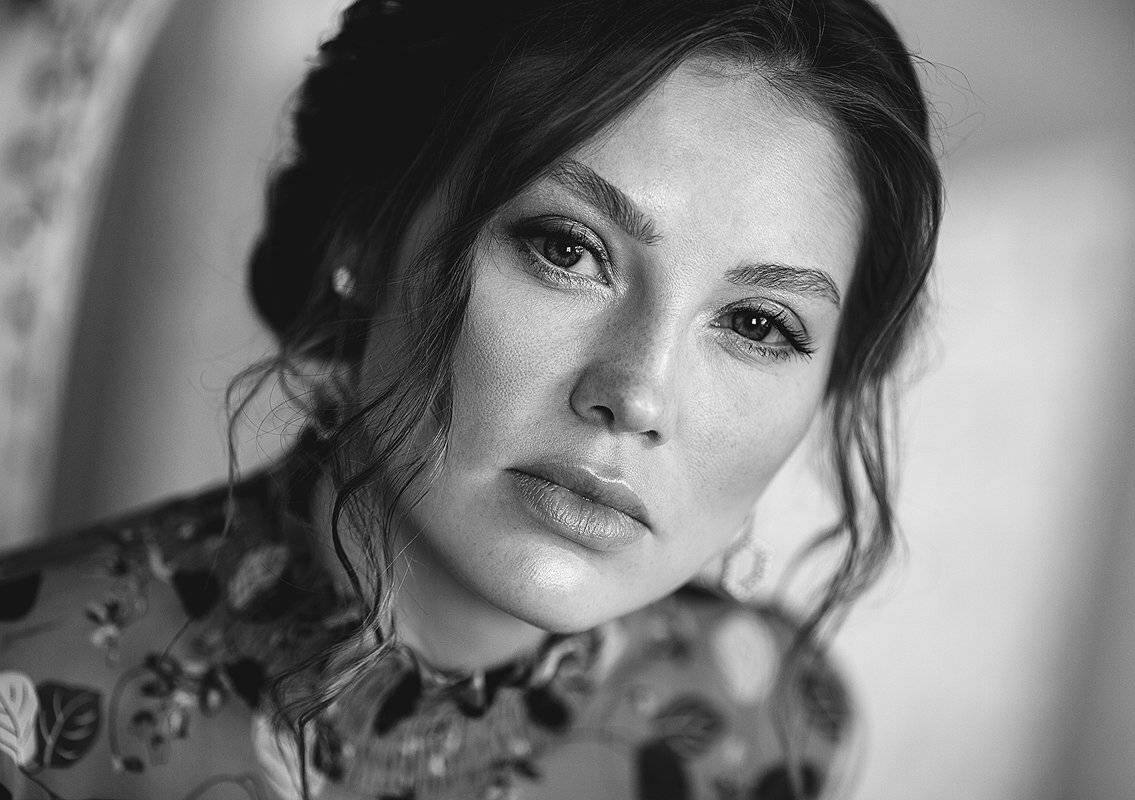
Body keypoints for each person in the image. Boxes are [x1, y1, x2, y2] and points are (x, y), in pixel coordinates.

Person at [0, 0, 941, 797]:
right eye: (567, 249)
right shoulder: (29, 693)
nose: (638, 395)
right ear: (368, 234)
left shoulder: (769, 726)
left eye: (758, 325)